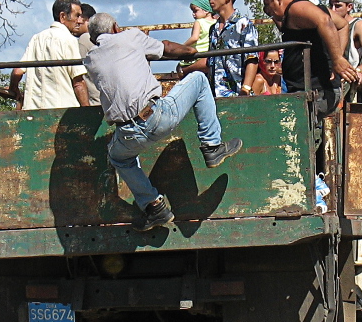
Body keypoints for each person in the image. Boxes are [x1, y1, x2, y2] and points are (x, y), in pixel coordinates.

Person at [83, 13, 243, 231]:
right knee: (198, 79)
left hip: (127, 131)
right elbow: (166, 47)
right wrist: (191, 52)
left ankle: (154, 206)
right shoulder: (130, 37)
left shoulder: (90, 59)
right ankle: (212, 145)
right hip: (156, 117)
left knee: (118, 158)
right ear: (115, 27)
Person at [259, 0, 360, 140]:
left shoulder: (297, 8)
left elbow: (325, 21)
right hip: (315, 91)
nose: (267, 11)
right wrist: (336, 59)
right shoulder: (306, 9)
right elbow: (342, 24)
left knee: (299, 141)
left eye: (268, 5)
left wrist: (337, 59)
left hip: (315, 92)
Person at [9, 0, 90, 109]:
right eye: (77, 15)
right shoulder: (69, 40)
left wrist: (13, 89)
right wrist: (87, 112)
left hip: (33, 111)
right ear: (62, 16)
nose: (79, 21)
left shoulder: (36, 38)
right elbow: (78, 82)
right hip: (62, 110)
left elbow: (17, 72)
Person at [206, 0, 259, 97]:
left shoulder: (245, 25)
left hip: (237, 97)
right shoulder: (213, 29)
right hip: (214, 98)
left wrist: (245, 90)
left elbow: (252, 59)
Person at [178, 0, 216, 71]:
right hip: (209, 53)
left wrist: (181, 47)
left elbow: (194, 38)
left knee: (180, 68)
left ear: (206, 10)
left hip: (197, 55)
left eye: (195, 11)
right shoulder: (216, 22)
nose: (193, 14)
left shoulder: (199, 22)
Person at [77, 3, 102, 106]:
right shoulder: (102, 39)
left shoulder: (84, 39)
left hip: (94, 101)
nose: (77, 22)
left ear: (87, 20)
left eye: (79, 17)